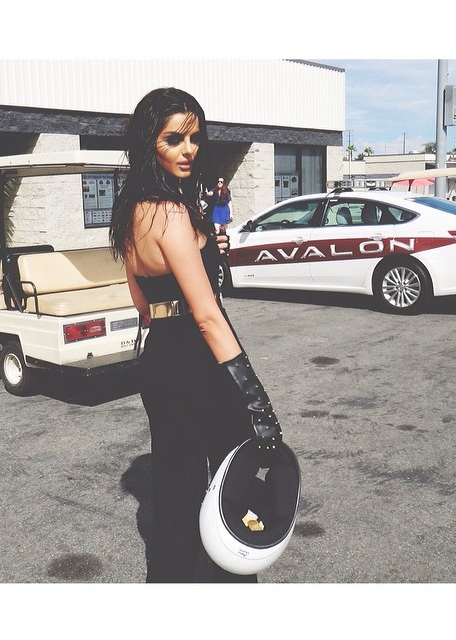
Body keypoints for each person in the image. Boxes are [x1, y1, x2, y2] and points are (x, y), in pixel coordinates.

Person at [109, 87, 282, 583]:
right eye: (174, 139)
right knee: (232, 486)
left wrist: (203, 250)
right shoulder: (171, 212)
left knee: (176, 489)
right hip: (198, 360)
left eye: (195, 138)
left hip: (160, 358)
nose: (189, 149)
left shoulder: (130, 211)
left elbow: (142, 305)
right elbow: (207, 315)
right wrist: (257, 399)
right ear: (150, 143)